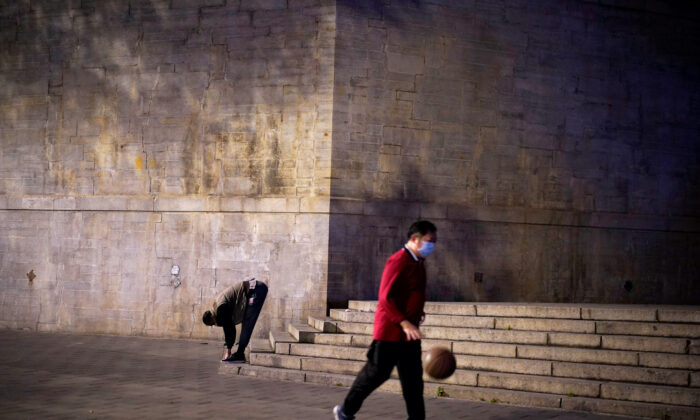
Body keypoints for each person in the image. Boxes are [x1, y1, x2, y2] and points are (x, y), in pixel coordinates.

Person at [334, 220, 437, 420]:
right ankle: (345, 411)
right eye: (429, 240)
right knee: (375, 375)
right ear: (414, 239)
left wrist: (416, 316)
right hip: (389, 333)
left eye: (434, 241)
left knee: (413, 383)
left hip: (409, 335)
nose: (432, 245)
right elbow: (385, 297)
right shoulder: (398, 261)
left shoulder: (419, 264)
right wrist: (404, 322)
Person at [202, 278, 268, 362]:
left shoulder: (220, 309)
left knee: (247, 323)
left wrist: (228, 349)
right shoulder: (217, 308)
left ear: (211, 318)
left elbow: (229, 328)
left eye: (211, 324)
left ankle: (240, 354)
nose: (213, 325)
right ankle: (240, 352)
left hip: (255, 290)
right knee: (246, 321)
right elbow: (228, 325)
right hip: (255, 289)